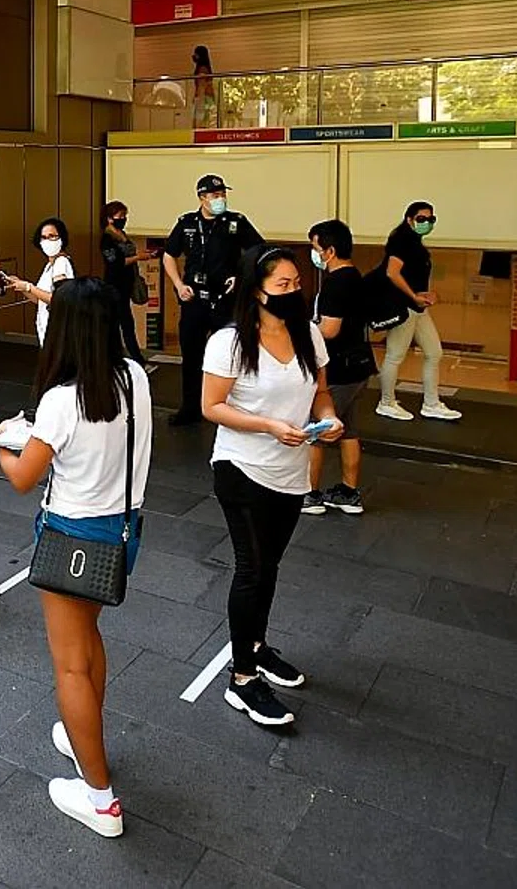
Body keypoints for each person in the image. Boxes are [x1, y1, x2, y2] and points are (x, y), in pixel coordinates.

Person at [0, 277, 153, 839]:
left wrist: (1, 442)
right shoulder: (134, 377)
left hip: (72, 536)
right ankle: (83, 732)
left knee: (69, 664)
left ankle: (101, 800)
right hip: (122, 533)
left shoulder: (62, 400)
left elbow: (21, 478)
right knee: (88, 642)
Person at [202, 246, 341, 729]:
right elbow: (212, 406)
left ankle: (257, 647)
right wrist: (266, 425)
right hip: (242, 467)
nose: (291, 291)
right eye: (281, 285)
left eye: (295, 283)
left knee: (271, 565)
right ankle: (241, 679)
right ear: (255, 291)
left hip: (292, 467)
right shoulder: (229, 342)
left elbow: (320, 392)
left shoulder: (308, 335)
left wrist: (328, 418)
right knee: (252, 567)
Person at [162, 175, 263, 425]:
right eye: (215, 195)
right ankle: (190, 408)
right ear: (202, 198)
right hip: (194, 298)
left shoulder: (235, 222)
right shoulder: (186, 223)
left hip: (225, 299)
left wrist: (241, 277)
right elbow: (169, 255)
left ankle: (227, 409)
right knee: (192, 355)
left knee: (229, 355)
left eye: (222, 195)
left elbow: (258, 250)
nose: (220, 199)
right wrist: (178, 284)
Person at [304, 219, 371, 516]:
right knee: (349, 430)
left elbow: (329, 330)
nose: (314, 253)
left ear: (329, 250)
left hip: (338, 370)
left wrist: (303, 329)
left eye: (315, 247)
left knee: (317, 430)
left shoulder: (335, 283)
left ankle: (309, 494)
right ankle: (348, 492)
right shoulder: (355, 276)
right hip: (359, 366)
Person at [373, 200, 461, 422]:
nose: (426, 223)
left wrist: (427, 294)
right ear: (409, 219)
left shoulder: (416, 243)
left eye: (431, 219)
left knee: (434, 352)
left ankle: (431, 403)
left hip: (418, 308)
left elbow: (414, 276)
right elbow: (392, 273)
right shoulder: (401, 241)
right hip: (404, 307)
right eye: (421, 219)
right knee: (395, 355)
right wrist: (413, 296)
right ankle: (386, 402)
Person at [3, 218, 75, 348]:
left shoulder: (61, 263)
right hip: (46, 328)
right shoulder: (49, 265)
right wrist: (21, 286)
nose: (47, 241)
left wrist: (28, 287)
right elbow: (39, 299)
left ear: (62, 238)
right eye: (44, 237)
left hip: (58, 330)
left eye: (52, 236)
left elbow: (59, 299)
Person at [98, 202, 149, 364]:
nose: (124, 219)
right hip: (114, 286)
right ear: (109, 218)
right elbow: (115, 262)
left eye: (124, 216)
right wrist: (138, 257)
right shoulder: (107, 239)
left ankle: (121, 357)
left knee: (122, 323)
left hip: (126, 285)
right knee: (123, 323)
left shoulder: (122, 234)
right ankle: (134, 359)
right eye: (120, 216)